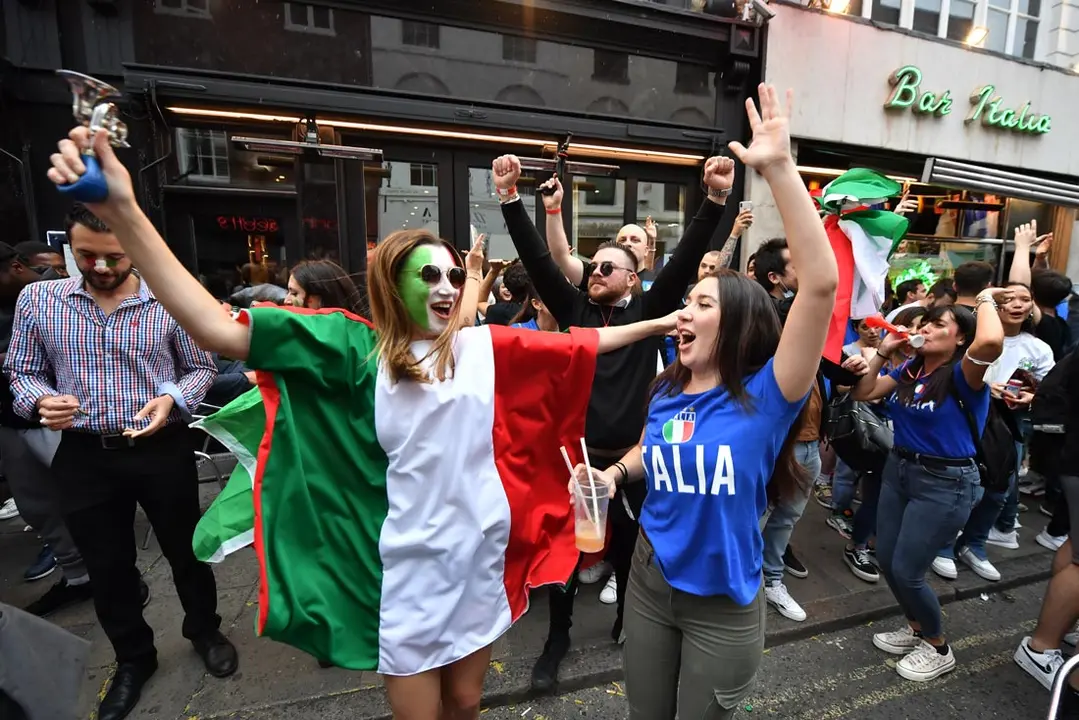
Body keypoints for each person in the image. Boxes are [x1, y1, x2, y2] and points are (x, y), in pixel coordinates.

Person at [45, 123, 680, 720]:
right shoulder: (353, 351)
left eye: (455, 275)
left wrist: (657, 323)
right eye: (427, 274)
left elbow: (587, 345)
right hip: (405, 578)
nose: (446, 286)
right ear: (392, 284)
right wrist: (126, 214)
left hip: (478, 566)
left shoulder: (483, 347)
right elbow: (213, 325)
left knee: (464, 706)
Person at [565, 84, 839, 720]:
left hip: (725, 607)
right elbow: (651, 448)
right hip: (649, 584)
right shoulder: (667, 389)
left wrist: (777, 169)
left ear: (738, 323)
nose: (681, 315)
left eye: (700, 305)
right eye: (684, 304)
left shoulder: (770, 395)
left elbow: (820, 284)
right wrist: (611, 474)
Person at [496, 148, 736, 690]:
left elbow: (685, 257)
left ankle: (630, 617)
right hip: (574, 465)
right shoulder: (578, 310)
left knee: (630, 552)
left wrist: (715, 198)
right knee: (564, 555)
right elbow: (540, 261)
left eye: (609, 267)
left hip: (631, 464)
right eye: (594, 266)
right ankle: (556, 639)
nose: (597, 273)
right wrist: (512, 200)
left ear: (632, 281)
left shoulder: (650, 312)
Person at [5, 202, 228, 720]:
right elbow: (21, 372)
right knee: (108, 567)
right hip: (84, 453)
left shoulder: (169, 298)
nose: (102, 268)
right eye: (87, 256)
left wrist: (172, 398)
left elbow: (201, 367)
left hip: (160, 448)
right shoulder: (39, 299)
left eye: (114, 257)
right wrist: (39, 400)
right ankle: (134, 658)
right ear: (70, 249)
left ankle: (205, 630)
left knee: (187, 551)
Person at [852, 293, 1007, 682]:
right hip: (900, 471)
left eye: (939, 324)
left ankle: (938, 646)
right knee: (886, 558)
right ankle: (916, 627)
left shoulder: (964, 373)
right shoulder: (910, 369)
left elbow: (989, 341)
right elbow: (864, 392)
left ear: (960, 339)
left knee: (907, 570)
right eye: (925, 323)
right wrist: (883, 352)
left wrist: (985, 299)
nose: (925, 329)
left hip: (946, 482)